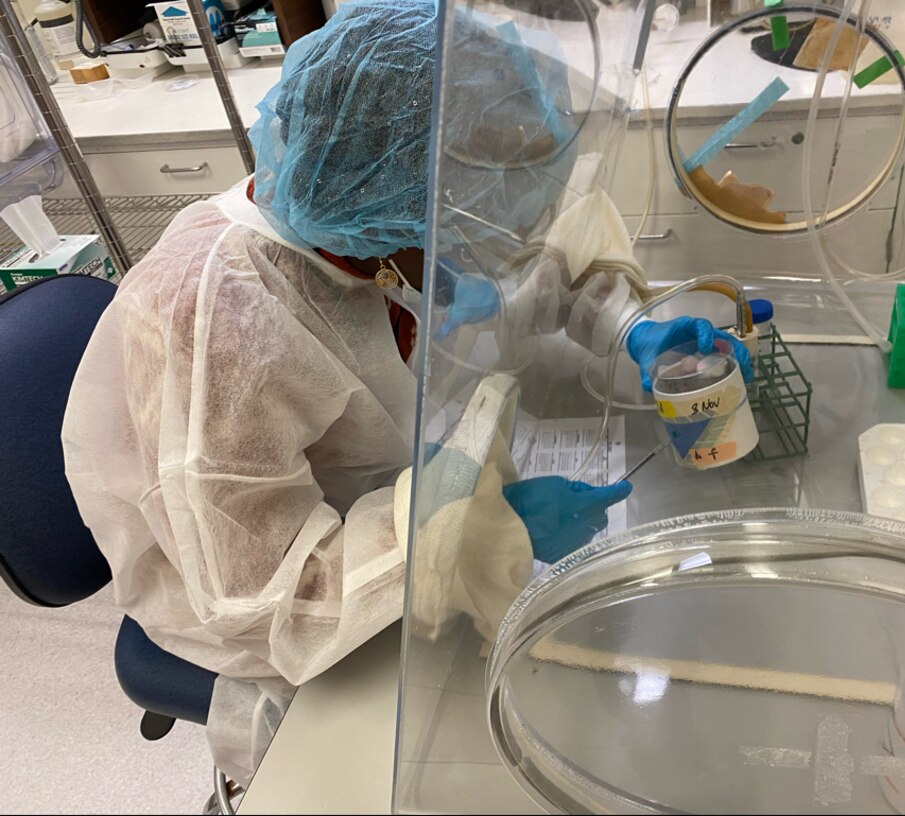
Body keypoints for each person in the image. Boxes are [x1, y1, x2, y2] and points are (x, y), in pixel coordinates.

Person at [61, 0, 750, 785]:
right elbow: (263, 595)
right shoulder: (217, 319)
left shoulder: (372, 233)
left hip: (383, 514)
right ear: (406, 211)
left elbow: (522, 275)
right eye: (472, 218)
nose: (491, 245)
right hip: (268, 618)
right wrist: (481, 530)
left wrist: (632, 326)